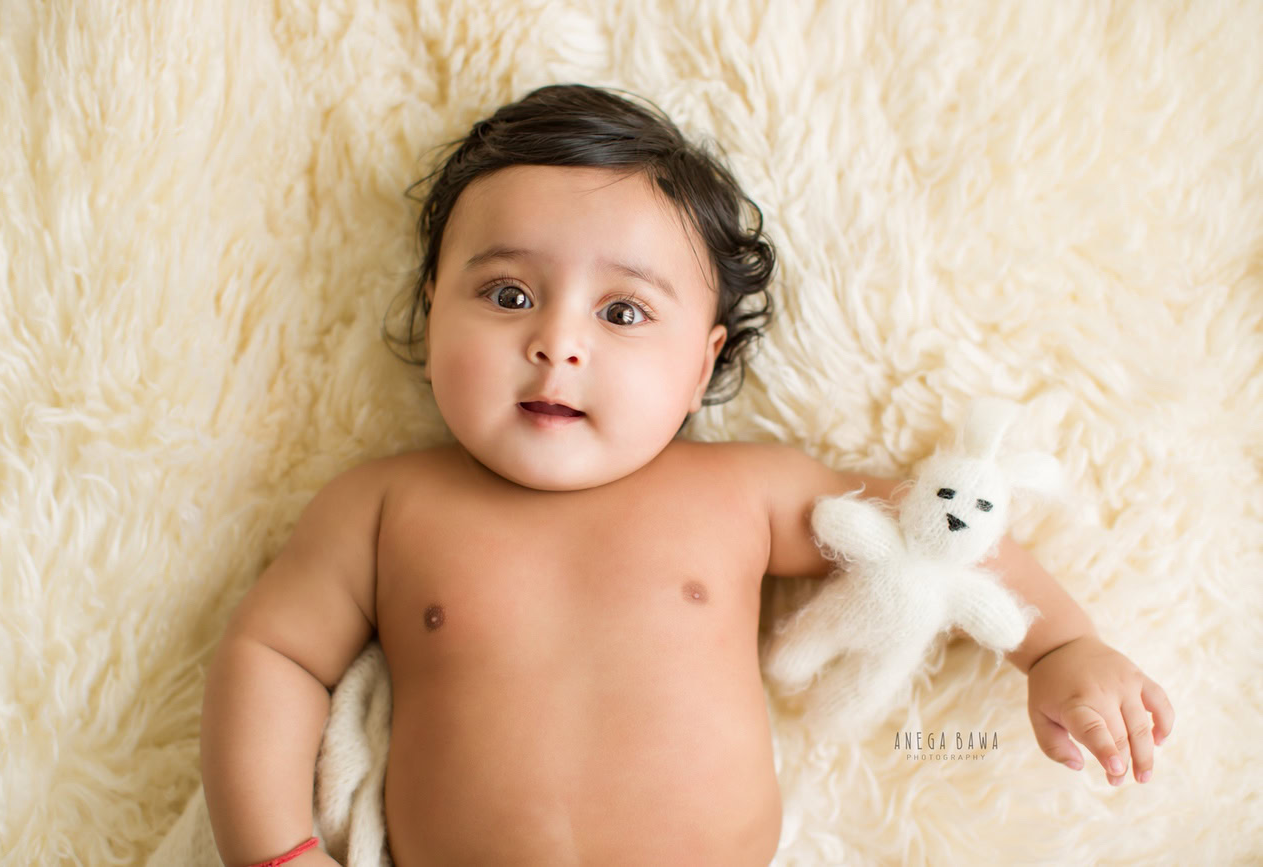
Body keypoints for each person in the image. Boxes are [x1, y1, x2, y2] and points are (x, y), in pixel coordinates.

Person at [200, 83, 1175, 867]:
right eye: (507, 295)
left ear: (702, 363)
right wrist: (277, 848)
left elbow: (936, 534)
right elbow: (273, 657)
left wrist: (1058, 649)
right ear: (432, 306)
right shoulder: (384, 507)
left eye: (622, 313)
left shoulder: (739, 493)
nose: (556, 344)